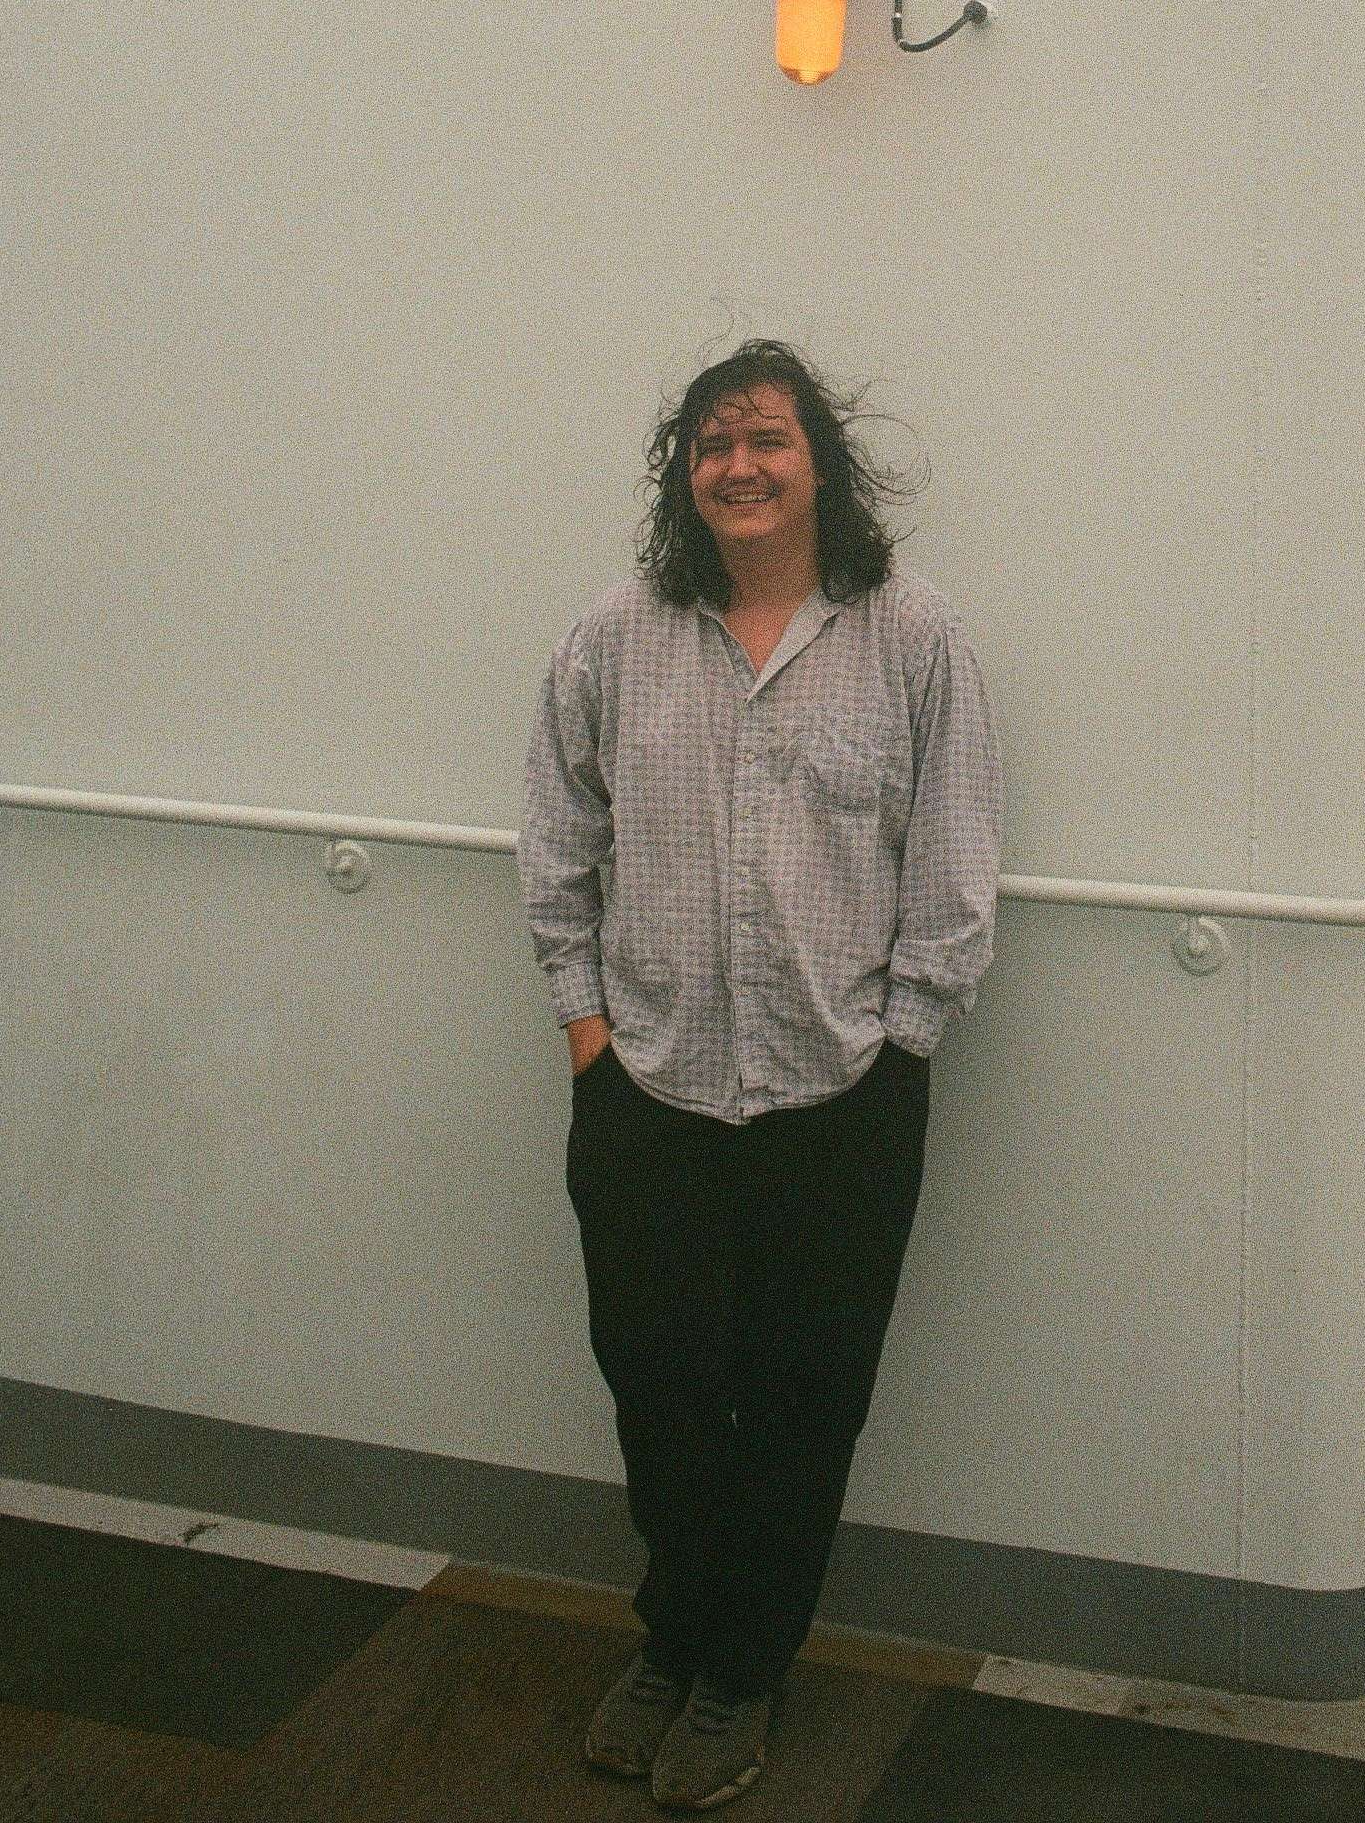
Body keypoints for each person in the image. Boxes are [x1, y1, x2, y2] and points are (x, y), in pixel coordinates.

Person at [517, 339, 1002, 1809]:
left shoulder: (915, 640)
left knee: (802, 1401)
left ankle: (739, 1678)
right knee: (659, 1387)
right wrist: (590, 1040)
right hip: (646, 1092)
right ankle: (676, 1637)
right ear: (687, 473)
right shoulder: (615, 636)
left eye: (768, 442)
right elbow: (558, 849)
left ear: (820, 468)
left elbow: (956, 873)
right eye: (713, 443)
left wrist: (899, 1049)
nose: (739, 465)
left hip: (839, 1104)